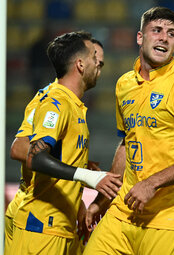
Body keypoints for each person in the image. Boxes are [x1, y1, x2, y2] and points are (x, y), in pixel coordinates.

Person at [83, 7, 174, 255]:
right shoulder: (124, 84)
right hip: (123, 214)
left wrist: (152, 184)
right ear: (140, 37)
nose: (164, 38)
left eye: (171, 33)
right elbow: (127, 145)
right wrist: (101, 202)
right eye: (156, 30)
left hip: (169, 221)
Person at [9, 31, 122, 255]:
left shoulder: (73, 105)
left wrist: (79, 164)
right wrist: (90, 176)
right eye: (93, 57)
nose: (98, 62)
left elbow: (54, 154)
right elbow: (34, 155)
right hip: (41, 226)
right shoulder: (56, 103)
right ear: (80, 64)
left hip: (60, 225)